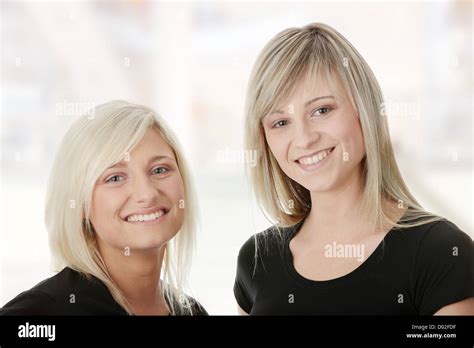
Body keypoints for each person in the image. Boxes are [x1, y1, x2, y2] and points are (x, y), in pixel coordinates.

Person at [234, 23, 474, 315]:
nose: (305, 138)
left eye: (322, 110)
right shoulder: (257, 261)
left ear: (365, 109)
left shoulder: (442, 254)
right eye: (280, 122)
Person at [1, 100, 207, 315]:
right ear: (80, 205)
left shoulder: (192, 312)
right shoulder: (36, 314)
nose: (147, 194)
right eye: (115, 177)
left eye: (159, 170)